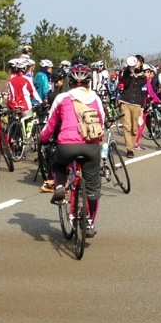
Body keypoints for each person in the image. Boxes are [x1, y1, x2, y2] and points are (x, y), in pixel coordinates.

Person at [40, 57, 107, 238]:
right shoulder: (95, 98)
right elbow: (101, 121)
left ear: (70, 81)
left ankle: (60, 187)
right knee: (93, 186)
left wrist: (43, 138)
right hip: (91, 146)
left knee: (58, 164)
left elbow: (50, 124)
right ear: (88, 81)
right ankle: (90, 221)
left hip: (67, 145)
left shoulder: (62, 97)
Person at [117, 55, 146, 158]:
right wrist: (130, 72)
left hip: (137, 104)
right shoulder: (126, 72)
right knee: (127, 126)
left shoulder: (143, 77)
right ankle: (129, 149)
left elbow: (143, 93)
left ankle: (132, 145)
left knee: (134, 128)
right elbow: (126, 83)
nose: (136, 63)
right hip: (126, 102)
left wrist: (142, 107)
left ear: (141, 63)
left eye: (138, 61)